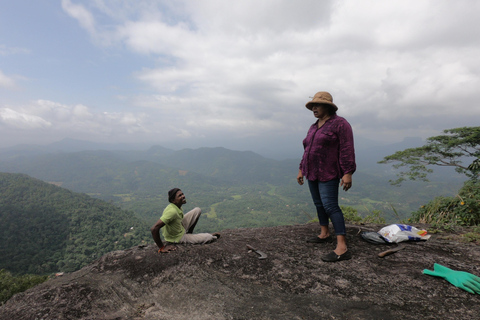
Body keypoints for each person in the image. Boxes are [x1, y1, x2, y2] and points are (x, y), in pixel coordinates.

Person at [297, 91, 356, 262]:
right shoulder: (314, 126)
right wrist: (301, 169)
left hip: (329, 171)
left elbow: (347, 148)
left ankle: (342, 247)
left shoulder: (340, 124)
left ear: (328, 107)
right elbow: (307, 149)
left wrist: (347, 172)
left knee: (330, 205)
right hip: (311, 171)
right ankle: (324, 234)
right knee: (318, 204)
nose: (314, 108)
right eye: (312, 106)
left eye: (318, 105)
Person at [151, 188, 220, 253]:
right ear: (173, 200)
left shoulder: (176, 206)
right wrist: (162, 248)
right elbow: (154, 228)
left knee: (197, 210)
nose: (183, 196)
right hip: (177, 237)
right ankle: (200, 236)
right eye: (179, 196)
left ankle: (190, 234)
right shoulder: (172, 211)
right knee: (209, 237)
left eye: (182, 194)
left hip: (179, 227)